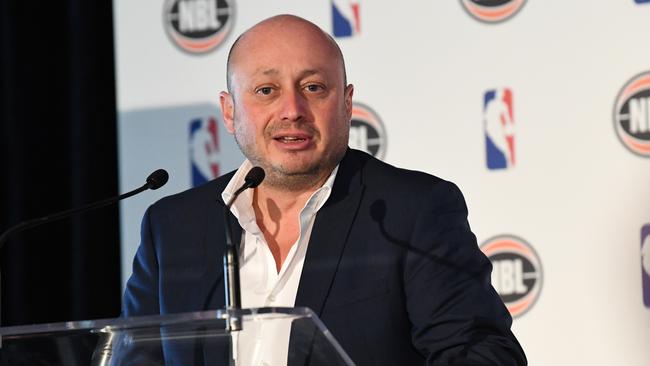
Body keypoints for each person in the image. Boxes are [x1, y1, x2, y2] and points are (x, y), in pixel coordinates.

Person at [123, 14, 527, 365]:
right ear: (229, 111)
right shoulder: (173, 228)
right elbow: (130, 358)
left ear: (347, 103)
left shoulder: (411, 212)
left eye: (314, 87)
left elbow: (482, 354)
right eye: (267, 90)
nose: (292, 110)